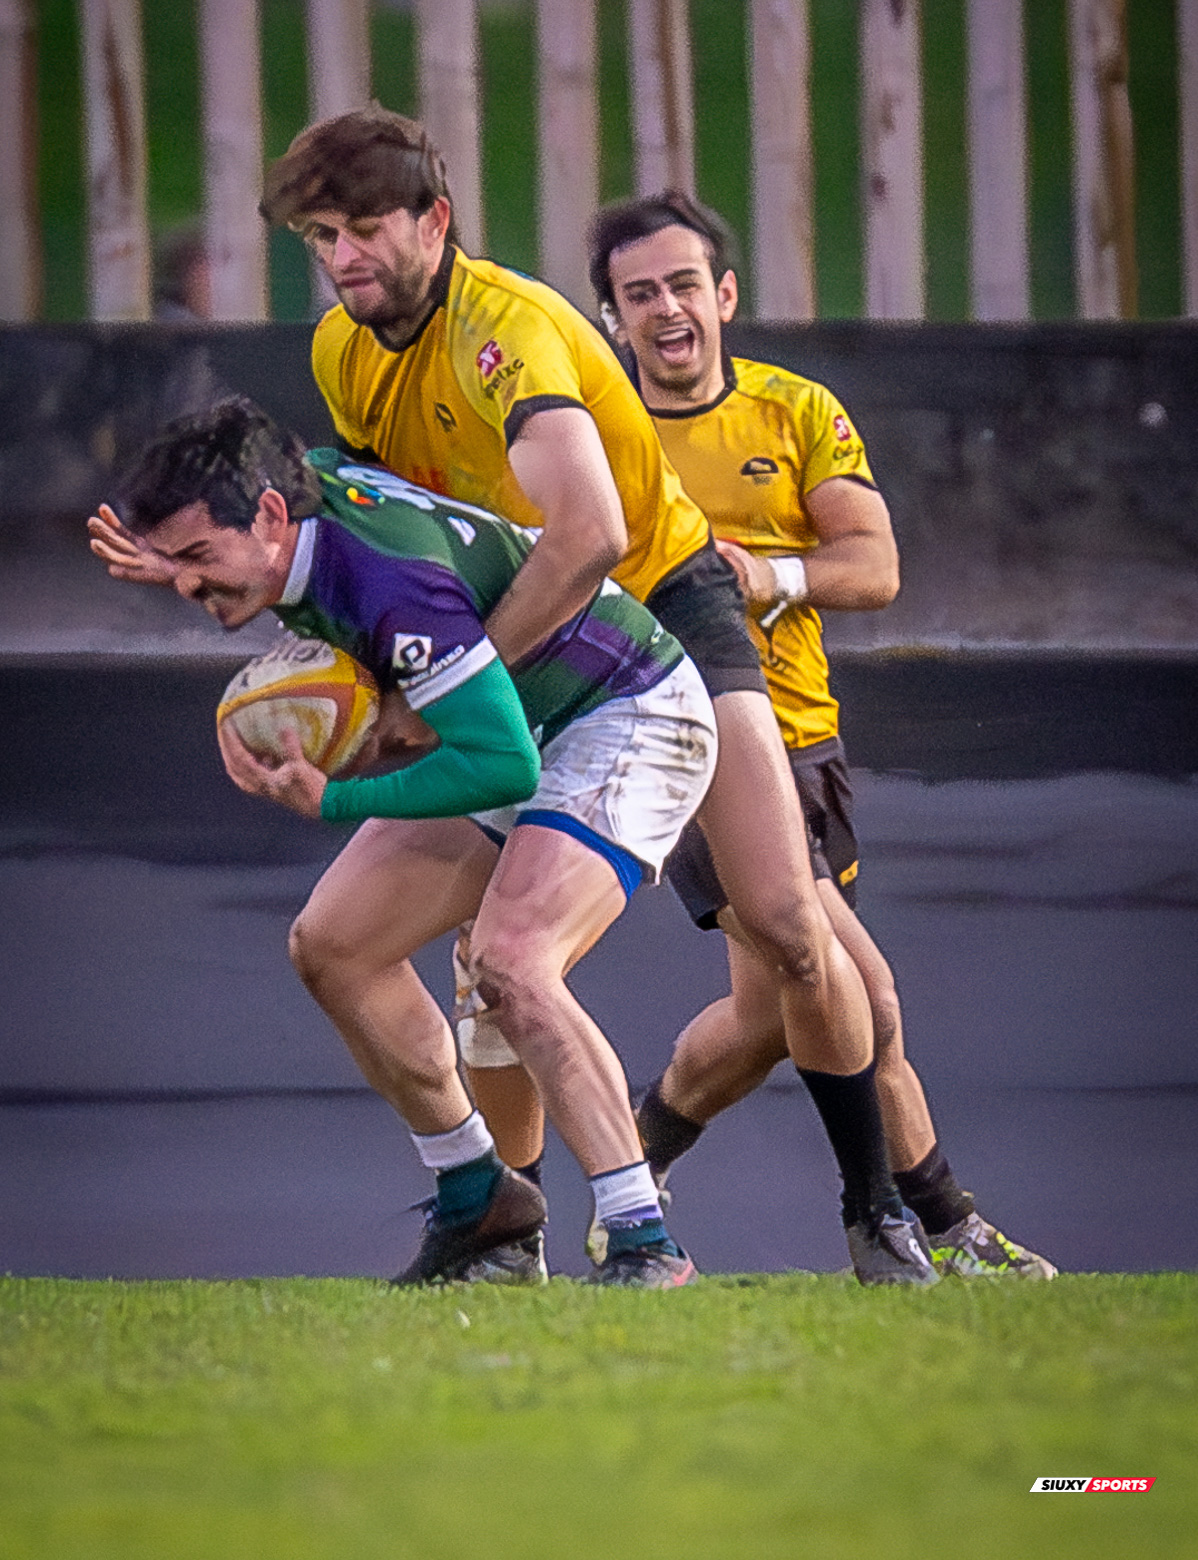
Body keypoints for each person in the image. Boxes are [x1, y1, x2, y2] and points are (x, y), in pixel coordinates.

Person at [90, 105, 937, 1286]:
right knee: (470, 972)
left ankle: (881, 1214)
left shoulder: (510, 333)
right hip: (519, 628)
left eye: (366, 229)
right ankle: (508, 1236)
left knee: (789, 924)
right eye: (321, 235)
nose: (342, 259)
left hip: (653, 603)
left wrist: (444, 682)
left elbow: (587, 536)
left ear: (434, 221)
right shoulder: (346, 346)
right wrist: (196, 543)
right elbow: (366, 510)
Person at [110, 396, 717, 1286]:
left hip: (625, 711)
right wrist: (169, 558)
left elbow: (503, 767)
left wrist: (334, 800)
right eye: (178, 564)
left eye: (200, 558)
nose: (191, 586)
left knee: (511, 962)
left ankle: (644, 1243)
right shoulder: (297, 487)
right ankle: (482, 1202)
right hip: (516, 715)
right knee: (334, 946)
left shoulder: (390, 589)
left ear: (272, 516)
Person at [572, 189, 1055, 1281]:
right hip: (684, 744)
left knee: (766, 1015)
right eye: (637, 294)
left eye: (683, 285)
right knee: (858, 990)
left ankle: (630, 1175)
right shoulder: (599, 442)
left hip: (806, 748)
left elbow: (873, 568)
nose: (666, 312)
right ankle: (940, 1226)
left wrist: (769, 577)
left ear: (725, 294)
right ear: (609, 318)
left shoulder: (796, 412)